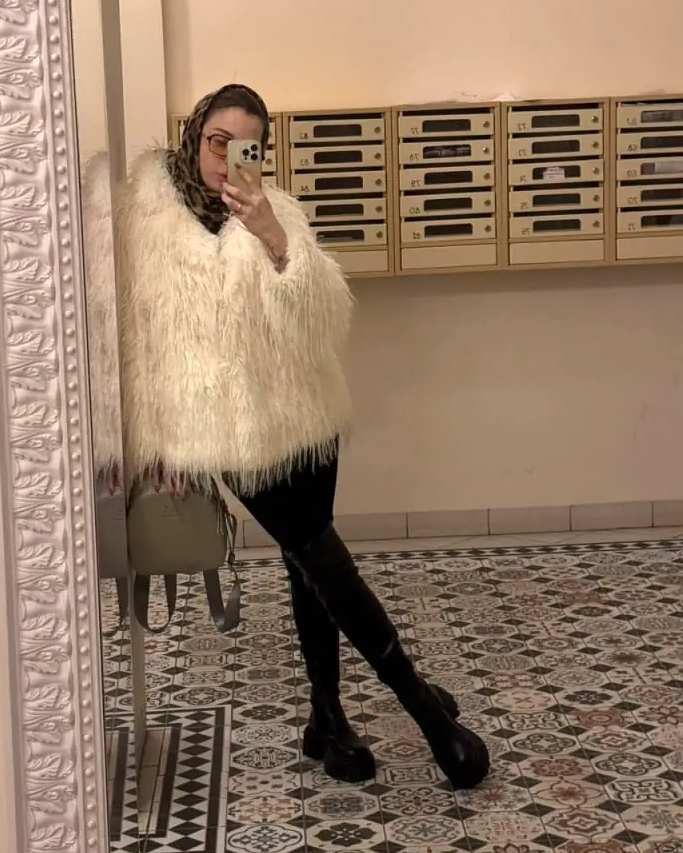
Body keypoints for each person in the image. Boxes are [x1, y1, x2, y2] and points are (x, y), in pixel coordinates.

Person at [115, 82, 490, 790]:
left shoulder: (275, 210)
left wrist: (274, 238)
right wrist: (149, 440)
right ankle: (424, 711)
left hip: (306, 416)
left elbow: (322, 316)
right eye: (217, 141)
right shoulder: (143, 218)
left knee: (306, 563)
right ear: (195, 134)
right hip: (230, 431)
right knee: (325, 560)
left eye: (245, 147)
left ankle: (329, 721)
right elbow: (131, 337)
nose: (226, 159)